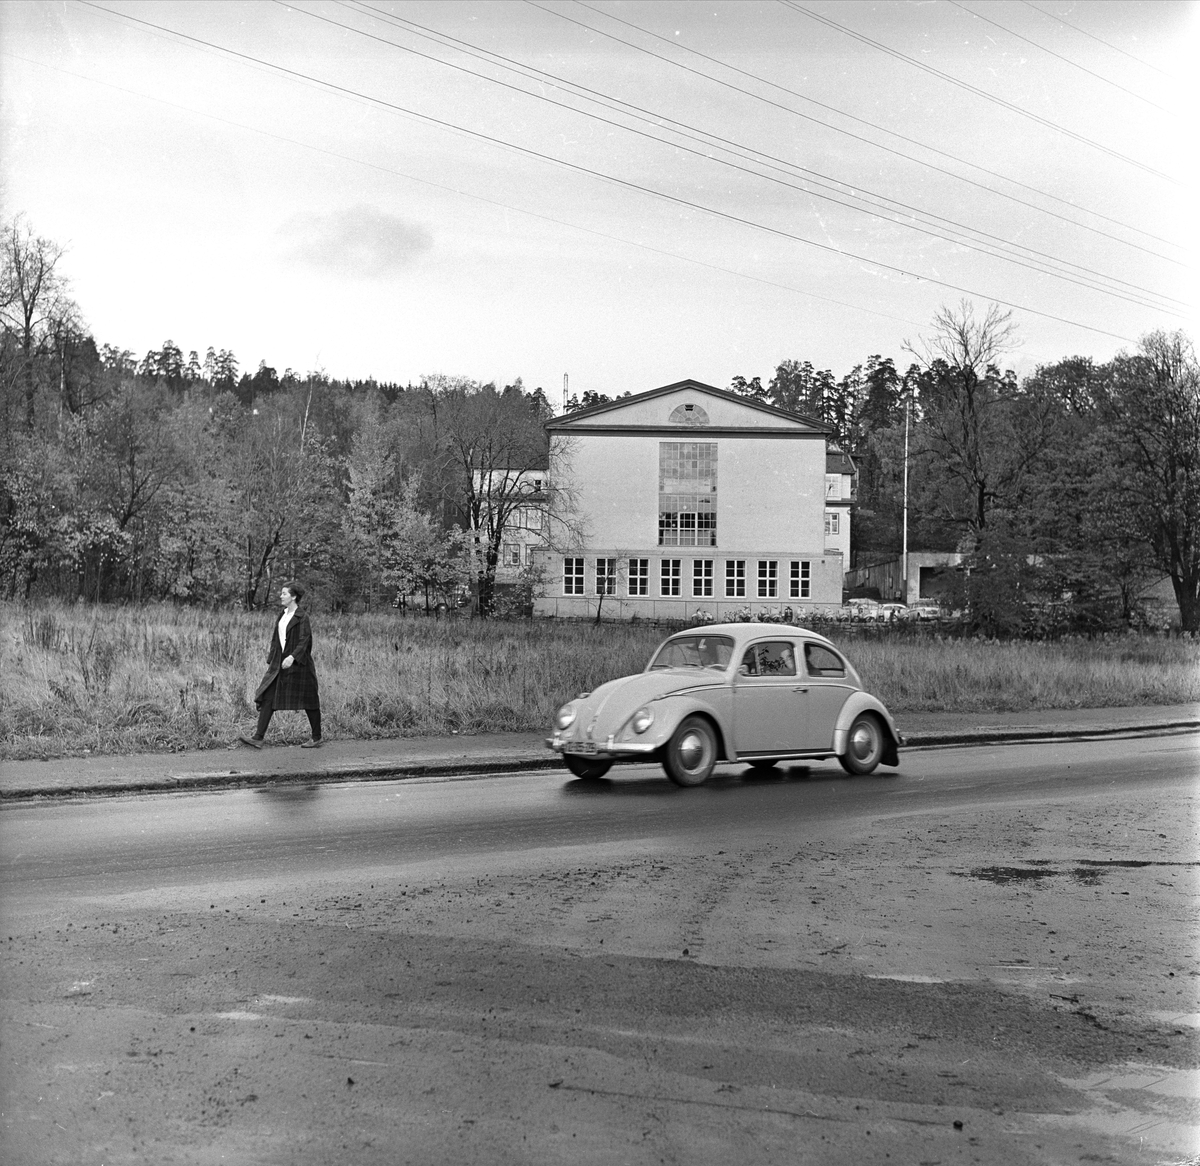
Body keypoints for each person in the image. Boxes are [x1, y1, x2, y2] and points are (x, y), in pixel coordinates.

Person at [239, 581, 322, 749]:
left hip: (300, 666)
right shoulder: (282, 615)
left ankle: (317, 737)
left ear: (293, 597)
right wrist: (272, 659)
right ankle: (258, 737)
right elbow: (275, 639)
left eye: (284, 593)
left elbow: (304, 641)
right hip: (280, 665)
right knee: (268, 696)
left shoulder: (302, 617)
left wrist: (292, 657)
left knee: (309, 700)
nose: (281, 596)